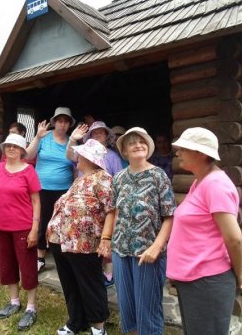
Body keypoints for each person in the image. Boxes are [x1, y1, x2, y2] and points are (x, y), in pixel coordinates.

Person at [167, 127, 242, 335]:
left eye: (183, 149)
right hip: (195, 280)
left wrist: (239, 273)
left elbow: (234, 239)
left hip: (207, 282)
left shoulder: (215, 185)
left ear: (201, 153)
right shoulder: (201, 182)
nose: (177, 153)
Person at [99, 127, 176, 335]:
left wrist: (157, 247)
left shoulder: (158, 176)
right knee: (127, 308)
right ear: (124, 151)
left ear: (148, 147)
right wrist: (106, 239)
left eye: (141, 141)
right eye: (132, 142)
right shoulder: (119, 178)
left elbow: (169, 216)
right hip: (120, 251)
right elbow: (113, 211)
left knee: (148, 309)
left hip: (148, 253)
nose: (137, 145)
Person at [47, 139, 114, 335]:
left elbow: (112, 210)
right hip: (61, 241)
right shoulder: (79, 179)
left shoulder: (103, 178)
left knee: (90, 284)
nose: (77, 157)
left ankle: (98, 327)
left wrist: (106, 239)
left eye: (80, 154)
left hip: (85, 243)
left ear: (89, 158)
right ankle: (76, 322)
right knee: (70, 284)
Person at [0, 134, 41, 331]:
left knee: (27, 268)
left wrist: (35, 229)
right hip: (1, 227)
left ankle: (31, 307)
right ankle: (14, 301)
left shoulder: (29, 171)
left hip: (23, 227)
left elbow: (36, 201)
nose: (11, 148)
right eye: (8, 145)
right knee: (7, 266)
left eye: (15, 146)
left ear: (22, 151)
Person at [66, 121, 123, 288]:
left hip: (104, 200)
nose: (98, 135)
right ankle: (98, 272)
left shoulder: (112, 156)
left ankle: (109, 272)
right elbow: (70, 156)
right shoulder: (83, 154)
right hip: (86, 204)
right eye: (94, 133)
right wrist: (72, 140)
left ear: (107, 136)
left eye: (101, 133)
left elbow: (118, 178)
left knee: (104, 236)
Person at [25, 107, 75, 272]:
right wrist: (37, 137)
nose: (62, 124)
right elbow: (28, 156)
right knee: (42, 221)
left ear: (69, 125)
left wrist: (74, 189)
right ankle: (40, 257)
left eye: (66, 121)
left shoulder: (72, 141)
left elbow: (75, 165)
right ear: (54, 122)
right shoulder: (44, 138)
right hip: (42, 188)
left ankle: (61, 256)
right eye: (59, 121)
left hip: (64, 190)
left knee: (63, 224)